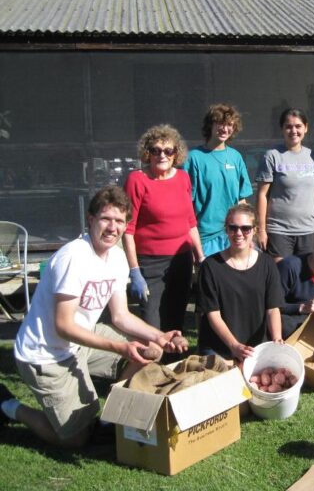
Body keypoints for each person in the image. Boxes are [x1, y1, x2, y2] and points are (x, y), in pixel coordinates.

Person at [0, 186, 189, 448]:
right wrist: (121, 347)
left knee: (151, 352)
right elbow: (64, 326)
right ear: (91, 220)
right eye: (106, 219)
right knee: (76, 440)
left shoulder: (117, 257)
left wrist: (159, 336)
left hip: (81, 340)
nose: (113, 227)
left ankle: (112, 415)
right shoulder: (74, 258)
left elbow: (121, 316)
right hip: (46, 354)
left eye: (120, 221)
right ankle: (9, 406)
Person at [123, 124, 204, 334]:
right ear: (147, 153)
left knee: (176, 321)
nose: (162, 155)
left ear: (176, 154)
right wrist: (134, 271)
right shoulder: (137, 180)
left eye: (168, 151)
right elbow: (128, 230)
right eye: (155, 150)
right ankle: (150, 365)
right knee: (152, 324)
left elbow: (191, 223)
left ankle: (172, 365)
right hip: (151, 264)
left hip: (182, 260)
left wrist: (200, 258)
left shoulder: (183, 178)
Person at [197, 203, 283, 362]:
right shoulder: (210, 266)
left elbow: (272, 308)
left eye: (245, 228)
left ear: (255, 230)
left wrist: (277, 339)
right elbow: (212, 314)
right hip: (219, 347)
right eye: (233, 228)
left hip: (255, 349)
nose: (239, 233)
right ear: (226, 230)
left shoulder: (267, 264)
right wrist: (234, 346)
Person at [183, 103, 253, 257]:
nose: (224, 128)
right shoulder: (193, 158)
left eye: (229, 125)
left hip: (235, 234)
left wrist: (249, 233)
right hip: (206, 238)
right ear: (210, 125)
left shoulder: (236, 157)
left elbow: (241, 199)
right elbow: (186, 203)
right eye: (220, 123)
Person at [254, 108, 314, 261]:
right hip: (279, 230)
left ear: (306, 128)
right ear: (282, 129)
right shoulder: (272, 156)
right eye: (288, 126)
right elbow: (262, 195)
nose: (293, 130)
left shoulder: (313, 156)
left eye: (298, 126)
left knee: (303, 277)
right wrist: (261, 230)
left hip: (308, 230)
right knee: (281, 277)